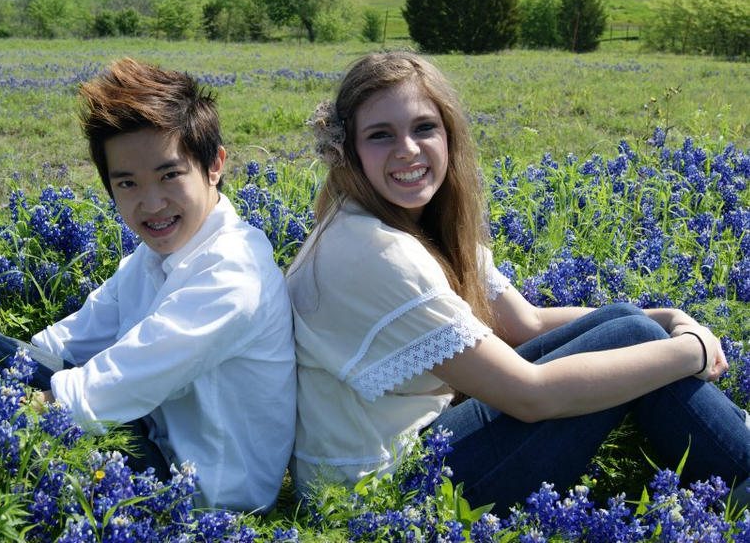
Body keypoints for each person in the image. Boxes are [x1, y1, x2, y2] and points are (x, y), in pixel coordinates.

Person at [286, 50, 750, 512]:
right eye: (380, 135)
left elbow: (525, 322)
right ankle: (740, 465)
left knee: (631, 325)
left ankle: (735, 457)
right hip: (390, 493)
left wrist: (665, 317)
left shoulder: (395, 223)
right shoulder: (378, 252)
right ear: (348, 150)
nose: (408, 149)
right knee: (634, 338)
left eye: (424, 127)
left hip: (415, 452)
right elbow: (530, 395)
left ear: (449, 135)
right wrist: (691, 351)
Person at [0, 57, 296, 512]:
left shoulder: (230, 276)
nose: (152, 203)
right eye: (127, 183)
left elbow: (83, 400)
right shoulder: (160, 254)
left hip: (194, 494)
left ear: (214, 164)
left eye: (170, 175)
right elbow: (62, 344)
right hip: (147, 433)